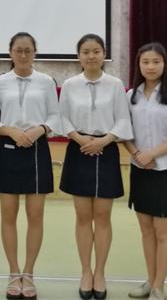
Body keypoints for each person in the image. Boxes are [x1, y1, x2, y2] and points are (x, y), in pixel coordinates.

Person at [0, 32, 61, 300]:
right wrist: (10, 131)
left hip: (37, 149)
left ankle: (28, 273)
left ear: (35, 52)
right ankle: (13, 272)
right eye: (19, 50)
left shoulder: (46, 82)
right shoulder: (0, 82)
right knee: (8, 215)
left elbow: (55, 116)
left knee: (35, 215)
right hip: (8, 148)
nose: (24, 55)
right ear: (10, 53)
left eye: (28, 50)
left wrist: (40, 129)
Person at [58, 33, 132, 300]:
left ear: (104, 54)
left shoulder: (115, 84)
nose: (91, 56)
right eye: (86, 52)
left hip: (106, 149)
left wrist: (104, 140)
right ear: (78, 56)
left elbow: (123, 120)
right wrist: (80, 139)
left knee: (102, 216)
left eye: (96, 51)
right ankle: (85, 271)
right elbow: (62, 118)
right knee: (82, 216)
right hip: (79, 149)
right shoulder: (70, 85)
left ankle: (100, 272)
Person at [123, 43, 167, 300]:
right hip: (140, 170)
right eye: (145, 62)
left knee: (163, 233)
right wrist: (137, 154)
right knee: (146, 231)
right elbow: (125, 133)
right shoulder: (131, 96)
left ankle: (159, 286)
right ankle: (150, 281)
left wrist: (152, 154)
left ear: (164, 64)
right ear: (138, 65)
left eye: (156, 62)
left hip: (166, 171)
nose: (150, 66)